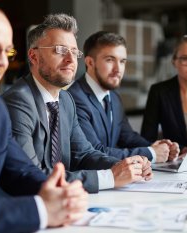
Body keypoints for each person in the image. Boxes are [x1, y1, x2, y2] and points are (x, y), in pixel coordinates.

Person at [0, 3, 88, 233]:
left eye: (6, 51)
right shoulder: (12, 101)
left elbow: (20, 171)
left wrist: (58, 191)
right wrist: (41, 210)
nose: (2, 63)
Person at [2, 14, 152, 194]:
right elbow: (31, 176)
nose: (70, 60)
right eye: (59, 50)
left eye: (74, 52)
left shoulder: (65, 100)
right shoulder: (18, 101)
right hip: (30, 209)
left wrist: (126, 166)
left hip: (67, 202)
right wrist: (110, 177)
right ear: (34, 56)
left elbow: (84, 154)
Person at [68, 31, 179, 163]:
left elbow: (127, 137)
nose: (118, 69)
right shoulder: (74, 99)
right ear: (90, 63)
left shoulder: (113, 97)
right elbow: (94, 152)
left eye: (122, 61)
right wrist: (151, 153)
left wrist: (158, 147)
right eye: (110, 60)